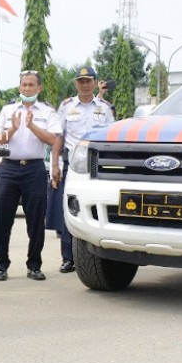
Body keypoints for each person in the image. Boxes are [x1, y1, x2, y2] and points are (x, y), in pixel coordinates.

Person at [0, 70, 62, 282]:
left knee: (36, 221)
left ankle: (34, 265)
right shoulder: (8, 110)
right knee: (2, 219)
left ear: (39, 88)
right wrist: (13, 129)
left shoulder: (47, 112)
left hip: (34, 169)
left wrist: (31, 126)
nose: (27, 88)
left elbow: (53, 140)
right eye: (24, 85)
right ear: (19, 87)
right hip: (8, 169)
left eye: (31, 85)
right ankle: (1, 265)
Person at [54, 66, 114, 272]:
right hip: (74, 165)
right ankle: (68, 258)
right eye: (81, 81)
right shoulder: (67, 106)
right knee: (71, 209)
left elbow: (111, 138)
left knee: (97, 208)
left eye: (88, 81)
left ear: (95, 83)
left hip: (97, 165)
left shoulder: (105, 108)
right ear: (76, 84)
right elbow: (58, 137)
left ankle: (100, 256)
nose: (85, 85)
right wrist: (56, 165)